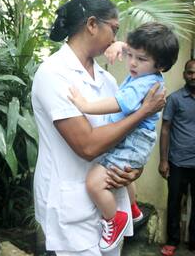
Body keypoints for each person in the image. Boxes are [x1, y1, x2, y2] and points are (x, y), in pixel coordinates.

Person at [31, 0, 166, 256]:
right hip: (70, 204)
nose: (116, 39)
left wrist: (131, 170)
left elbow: (124, 137)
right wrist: (144, 112)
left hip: (109, 202)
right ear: (92, 24)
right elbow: (88, 145)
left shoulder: (108, 79)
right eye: (114, 29)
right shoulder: (53, 73)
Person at [68, 22, 179, 252]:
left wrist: (85, 105)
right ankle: (134, 208)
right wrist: (121, 45)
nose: (132, 62)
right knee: (127, 177)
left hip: (133, 139)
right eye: (130, 55)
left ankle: (114, 219)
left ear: (161, 65)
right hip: (137, 139)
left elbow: (119, 102)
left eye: (141, 59)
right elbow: (136, 50)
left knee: (94, 183)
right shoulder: (150, 75)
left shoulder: (144, 85)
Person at [159, 59, 195, 256]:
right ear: (184, 74)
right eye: (190, 72)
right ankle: (172, 241)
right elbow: (165, 129)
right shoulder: (174, 99)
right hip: (177, 161)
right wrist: (163, 160)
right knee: (174, 201)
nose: (193, 76)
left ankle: (193, 242)